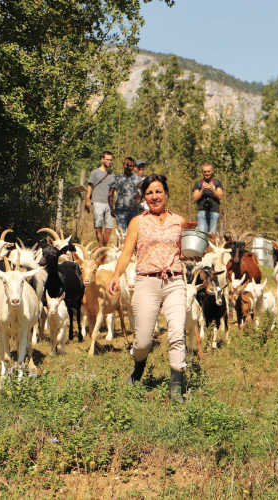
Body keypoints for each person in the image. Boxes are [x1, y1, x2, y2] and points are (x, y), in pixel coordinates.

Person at [108, 174, 192, 403]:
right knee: (144, 340)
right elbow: (126, 253)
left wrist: (195, 253)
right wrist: (116, 275)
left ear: (166, 193)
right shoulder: (138, 222)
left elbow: (184, 253)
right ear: (143, 197)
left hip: (174, 281)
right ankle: (139, 366)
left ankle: (176, 388)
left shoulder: (180, 221)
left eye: (158, 191)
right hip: (146, 281)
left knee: (176, 332)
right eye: (149, 193)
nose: (154, 197)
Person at [85, 151, 115, 247]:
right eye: (107, 159)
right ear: (102, 159)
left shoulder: (112, 175)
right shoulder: (95, 172)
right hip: (97, 202)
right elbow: (89, 186)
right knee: (99, 226)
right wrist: (87, 200)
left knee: (109, 228)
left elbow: (113, 191)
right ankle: (100, 247)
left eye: (110, 160)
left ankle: (104, 248)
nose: (109, 162)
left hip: (109, 204)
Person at [108, 157, 141, 232]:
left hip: (133, 210)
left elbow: (144, 192)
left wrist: (139, 196)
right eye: (127, 165)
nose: (129, 167)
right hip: (120, 210)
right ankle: (121, 244)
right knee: (121, 234)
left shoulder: (137, 179)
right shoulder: (116, 178)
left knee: (134, 233)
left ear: (133, 167)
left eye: (131, 166)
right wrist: (112, 208)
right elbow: (110, 193)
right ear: (123, 165)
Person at [192, 162, 223, 234]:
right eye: (205, 171)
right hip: (202, 211)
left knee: (212, 235)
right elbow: (195, 198)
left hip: (214, 211)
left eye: (208, 171)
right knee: (202, 234)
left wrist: (212, 189)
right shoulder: (198, 183)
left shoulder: (217, 182)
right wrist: (202, 190)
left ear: (212, 170)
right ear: (202, 172)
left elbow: (220, 196)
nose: (207, 173)